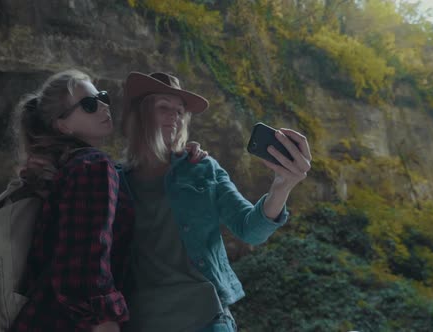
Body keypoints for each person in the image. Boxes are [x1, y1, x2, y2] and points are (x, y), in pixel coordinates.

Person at [9, 69, 207, 332]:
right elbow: (83, 268)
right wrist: (106, 321)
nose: (103, 106)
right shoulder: (94, 166)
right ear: (63, 125)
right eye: (89, 104)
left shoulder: (68, 167)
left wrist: (181, 153)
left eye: (101, 97)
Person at [119, 72, 312, 332]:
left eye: (180, 111)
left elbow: (250, 230)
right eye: (163, 107)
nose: (175, 117)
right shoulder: (113, 180)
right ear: (140, 115)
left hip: (207, 317)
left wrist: (282, 186)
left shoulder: (202, 167)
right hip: (142, 320)